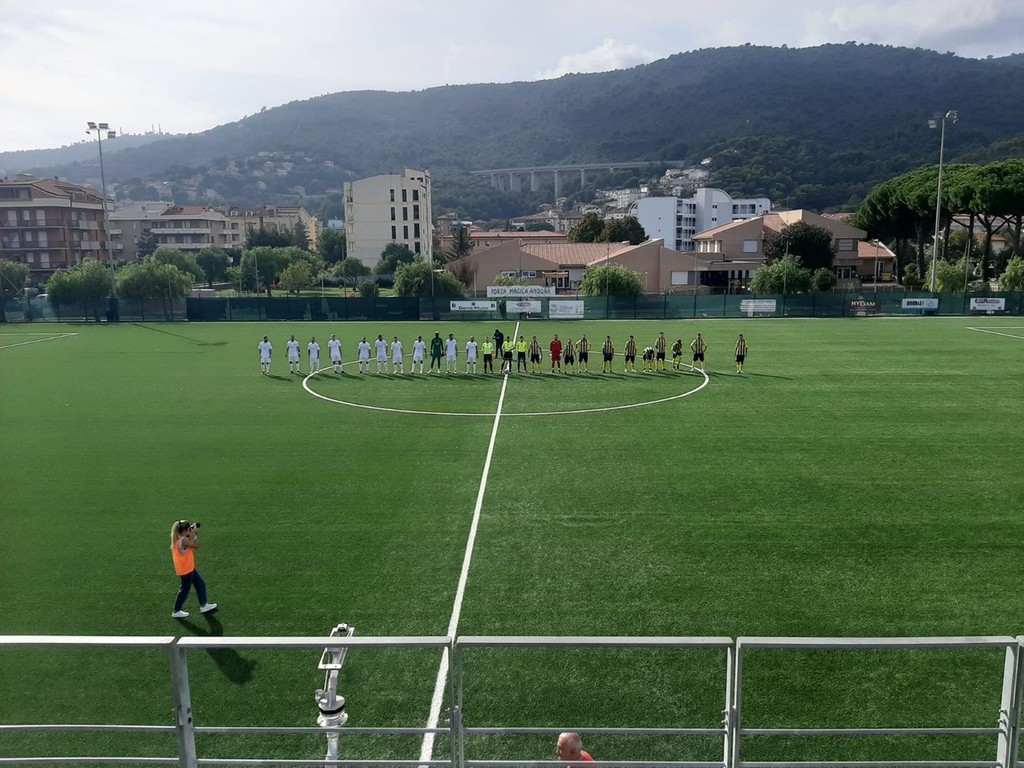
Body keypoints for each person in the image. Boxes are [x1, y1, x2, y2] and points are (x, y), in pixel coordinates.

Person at [170, 520, 217, 619]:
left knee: (200, 583)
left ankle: (204, 605)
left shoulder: (178, 538)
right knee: (185, 590)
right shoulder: (184, 540)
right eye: (188, 529)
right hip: (186, 570)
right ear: (185, 531)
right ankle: (176, 611)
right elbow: (196, 545)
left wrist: (191, 533)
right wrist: (194, 534)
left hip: (188, 568)